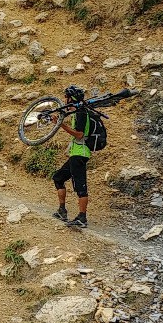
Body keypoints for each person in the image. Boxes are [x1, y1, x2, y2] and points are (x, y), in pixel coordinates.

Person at [51, 85, 95, 228]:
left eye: (67, 97)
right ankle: (62, 210)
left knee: (80, 187)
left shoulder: (82, 113)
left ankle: (82, 218)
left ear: (73, 98)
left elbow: (79, 135)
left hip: (80, 154)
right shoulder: (77, 112)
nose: (65, 99)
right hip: (75, 154)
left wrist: (61, 125)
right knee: (58, 177)